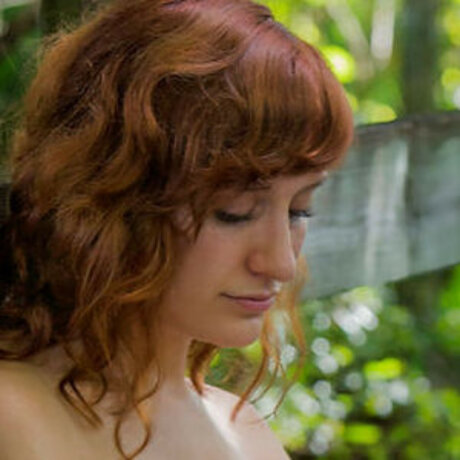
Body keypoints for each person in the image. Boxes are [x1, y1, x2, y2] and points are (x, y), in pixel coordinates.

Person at [0, 0, 353, 458]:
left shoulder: (245, 431)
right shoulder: (15, 418)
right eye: (234, 211)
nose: (282, 263)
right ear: (116, 195)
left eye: (299, 211)